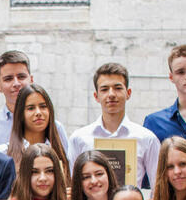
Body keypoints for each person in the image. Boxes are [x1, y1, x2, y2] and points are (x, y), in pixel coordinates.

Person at [68, 63, 161, 191]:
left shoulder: (147, 139)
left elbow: (158, 191)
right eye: (104, 89)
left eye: (117, 88)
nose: (111, 94)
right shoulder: (79, 138)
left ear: (128, 93)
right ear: (96, 96)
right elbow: (74, 188)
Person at [0, 51, 67, 152]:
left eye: (21, 77)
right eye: (8, 79)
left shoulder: (54, 128)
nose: (16, 83)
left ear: (31, 80)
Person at [0, 84, 69, 173]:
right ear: (20, 114)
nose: (38, 113)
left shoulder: (60, 152)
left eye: (43, 106)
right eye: (31, 108)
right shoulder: (2, 154)